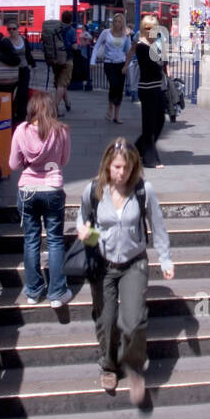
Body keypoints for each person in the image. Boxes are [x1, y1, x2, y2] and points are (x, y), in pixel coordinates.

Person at [76, 138, 173, 404]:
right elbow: (82, 216)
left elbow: (157, 224)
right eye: (117, 167)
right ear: (108, 165)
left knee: (133, 319)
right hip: (104, 264)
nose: (121, 174)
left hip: (134, 262)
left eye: (127, 169)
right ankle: (108, 365)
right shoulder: (93, 190)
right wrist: (85, 232)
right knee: (106, 319)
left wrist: (165, 258)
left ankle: (133, 366)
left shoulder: (144, 190)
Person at [9, 90, 72, 306]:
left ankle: (33, 291)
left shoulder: (21, 131)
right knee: (54, 239)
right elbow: (63, 160)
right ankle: (57, 292)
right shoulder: (61, 131)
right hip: (53, 188)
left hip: (27, 189)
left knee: (31, 239)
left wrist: (29, 163)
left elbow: (13, 165)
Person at [128, 12, 167, 168]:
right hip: (147, 88)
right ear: (144, 29)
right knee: (149, 124)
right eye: (149, 28)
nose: (153, 31)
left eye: (155, 28)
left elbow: (162, 62)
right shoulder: (142, 45)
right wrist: (159, 62)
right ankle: (150, 158)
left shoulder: (153, 44)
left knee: (160, 120)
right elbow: (153, 66)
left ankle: (136, 149)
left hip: (157, 87)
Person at [92, 13, 133, 124]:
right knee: (114, 84)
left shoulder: (125, 35)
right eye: (116, 21)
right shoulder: (106, 33)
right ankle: (110, 105)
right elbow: (96, 47)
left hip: (121, 63)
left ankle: (116, 115)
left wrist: (126, 65)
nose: (117, 23)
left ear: (122, 23)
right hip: (109, 63)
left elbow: (128, 51)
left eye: (120, 22)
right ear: (113, 22)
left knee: (119, 89)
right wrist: (92, 62)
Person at [5, 19, 36, 125]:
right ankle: (11, 114)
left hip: (24, 69)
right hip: (11, 70)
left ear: (18, 29)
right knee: (11, 92)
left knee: (23, 92)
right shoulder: (6, 42)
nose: (12, 31)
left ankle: (21, 116)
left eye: (14, 28)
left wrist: (33, 64)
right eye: (9, 29)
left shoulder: (23, 40)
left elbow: (28, 54)